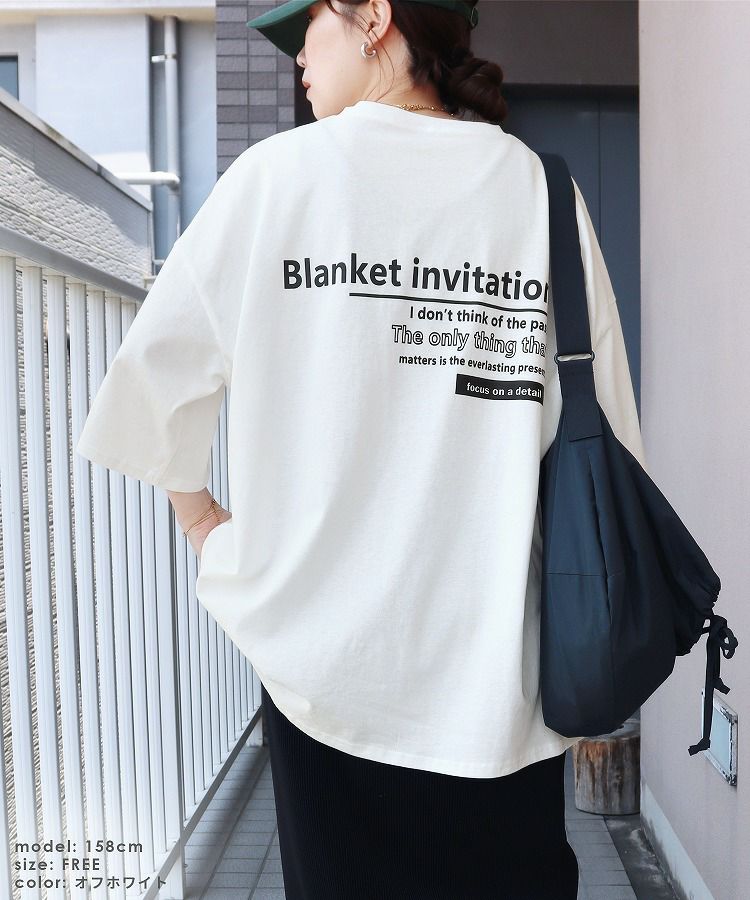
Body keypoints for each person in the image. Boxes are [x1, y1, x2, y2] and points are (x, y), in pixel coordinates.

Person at [76, 0, 647, 896]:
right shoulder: (541, 191)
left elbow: (152, 378)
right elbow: (611, 439)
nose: (299, 56)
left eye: (309, 24)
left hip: (325, 680)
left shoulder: (275, 180)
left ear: (375, 15)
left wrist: (206, 529)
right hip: (498, 684)